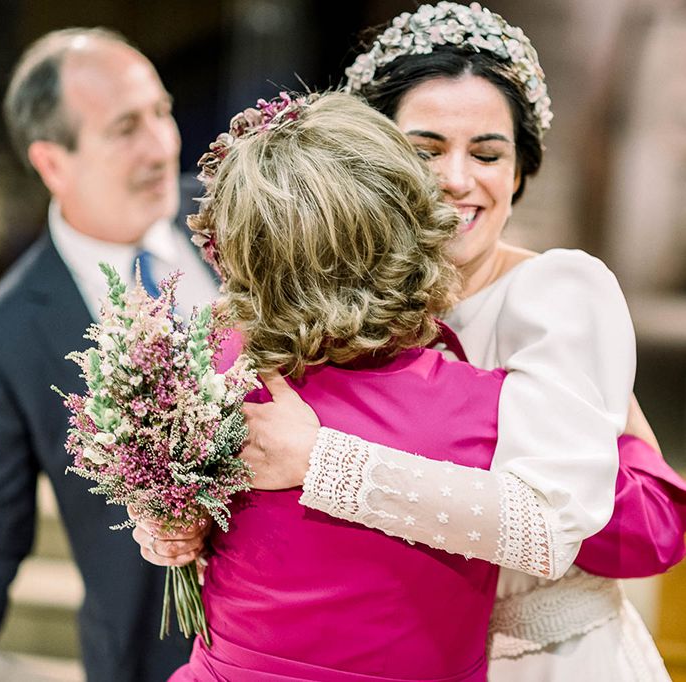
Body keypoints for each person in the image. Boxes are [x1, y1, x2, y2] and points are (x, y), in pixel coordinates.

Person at [225, 3, 686, 681]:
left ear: (520, 170)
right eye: (426, 150)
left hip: (544, 660)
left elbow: (565, 526)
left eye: (488, 153)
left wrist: (323, 461)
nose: (457, 180)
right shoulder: (327, 299)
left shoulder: (557, 293)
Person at [0, 28, 217, 682]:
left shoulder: (237, 217)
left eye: (161, 111)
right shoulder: (1, 335)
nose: (162, 144)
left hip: (304, 628)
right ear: (52, 162)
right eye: (125, 127)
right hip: (152, 655)